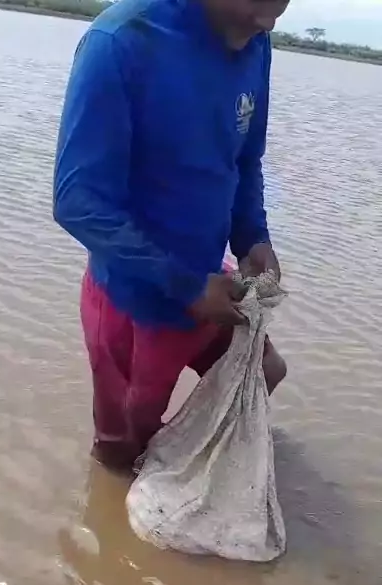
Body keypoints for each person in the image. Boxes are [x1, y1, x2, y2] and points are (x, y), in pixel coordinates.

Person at [54, 0, 290, 471]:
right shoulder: (120, 42)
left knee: (266, 371)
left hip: (213, 282)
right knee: (123, 450)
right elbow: (77, 202)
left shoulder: (254, 37)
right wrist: (185, 286)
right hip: (135, 304)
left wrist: (252, 237)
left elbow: (244, 159)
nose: (272, 16)